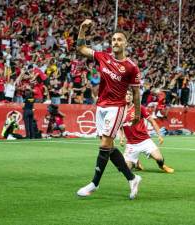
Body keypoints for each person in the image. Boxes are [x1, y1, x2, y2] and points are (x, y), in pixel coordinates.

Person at [76, 19, 142, 199]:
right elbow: (81, 49)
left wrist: (137, 113)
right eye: (113, 40)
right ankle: (132, 178)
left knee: (104, 144)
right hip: (101, 106)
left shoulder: (131, 67)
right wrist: (82, 29)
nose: (115, 42)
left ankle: (94, 184)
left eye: (119, 39)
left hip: (116, 107)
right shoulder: (103, 57)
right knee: (108, 146)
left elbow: (136, 92)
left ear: (126, 43)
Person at [119, 90, 174, 173]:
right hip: (131, 144)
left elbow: (152, 121)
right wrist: (121, 137)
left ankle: (162, 166)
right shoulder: (120, 111)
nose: (128, 96)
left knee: (159, 159)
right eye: (126, 94)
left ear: (133, 97)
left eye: (130, 94)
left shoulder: (139, 108)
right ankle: (136, 163)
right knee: (125, 169)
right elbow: (120, 126)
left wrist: (159, 135)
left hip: (145, 141)